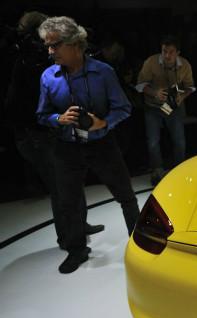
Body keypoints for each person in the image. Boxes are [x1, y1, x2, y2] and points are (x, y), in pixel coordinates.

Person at [36, 16, 139, 273]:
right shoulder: (48, 76)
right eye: (47, 46)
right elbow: (41, 115)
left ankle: (140, 245)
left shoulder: (103, 72)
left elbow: (124, 108)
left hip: (102, 143)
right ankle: (77, 250)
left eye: (55, 45)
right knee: (68, 202)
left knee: (126, 196)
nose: (50, 51)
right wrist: (58, 119)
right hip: (66, 147)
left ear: (74, 43)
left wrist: (102, 123)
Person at [5, 11, 105, 249]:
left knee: (73, 178)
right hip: (38, 135)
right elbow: (20, 105)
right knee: (61, 187)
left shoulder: (42, 60)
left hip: (48, 131)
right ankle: (69, 238)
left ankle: (79, 226)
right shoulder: (28, 62)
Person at [136, 35, 196, 185]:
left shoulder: (184, 65)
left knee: (179, 141)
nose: (167, 55)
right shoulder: (151, 62)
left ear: (178, 52)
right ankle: (157, 171)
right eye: (164, 51)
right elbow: (140, 85)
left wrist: (182, 96)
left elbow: (190, 86)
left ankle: (179, 170)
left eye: (171, 52)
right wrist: (154, 92)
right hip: (152, 107)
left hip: (173, 107)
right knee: (153, 142)